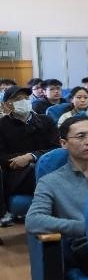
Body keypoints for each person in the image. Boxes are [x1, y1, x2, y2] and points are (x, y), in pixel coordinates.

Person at [26, 116, 88, 274]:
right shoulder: (51, 181)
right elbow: (33, 220)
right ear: (64, 143)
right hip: (85, 244)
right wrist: (85, 227)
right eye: (81, 136)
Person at [0, 86, 59, 226]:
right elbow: (1, 155)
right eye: (18, 99)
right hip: (16, 173)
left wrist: (31, 156)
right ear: (7, 104)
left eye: (26, 98)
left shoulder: (46, 121)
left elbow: (56, 148)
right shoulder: (2, 125)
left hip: (45, 167)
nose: (24, 101)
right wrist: (19, 160)